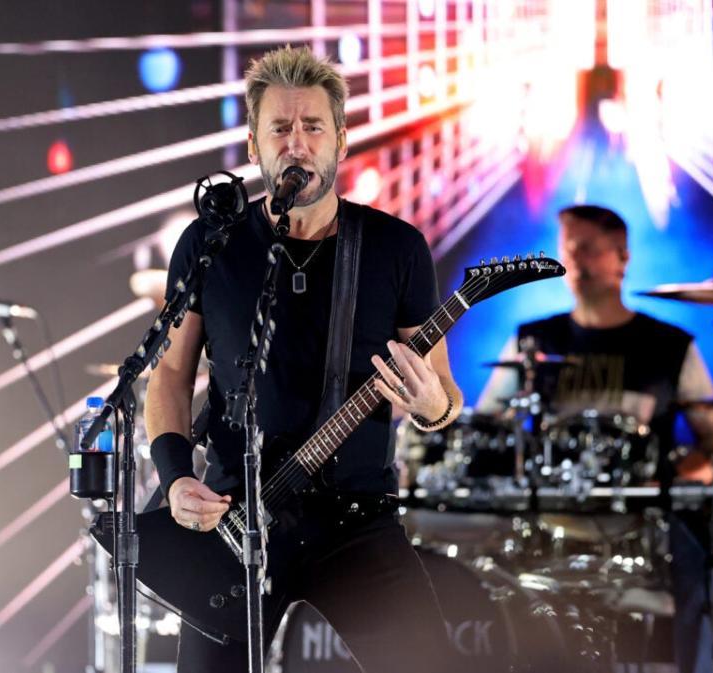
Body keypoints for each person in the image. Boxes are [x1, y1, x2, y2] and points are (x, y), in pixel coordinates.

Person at [143, 46, 462, 673]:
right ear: (256, 145)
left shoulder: (396, 249)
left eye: (313, 126)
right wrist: (177, 474)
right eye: (280, 129)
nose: (297, 144)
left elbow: (445, 393)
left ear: (341, 142)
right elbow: (171, 374)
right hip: (237, 516)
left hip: (356, 517)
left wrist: (431, 405)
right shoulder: (213, 244)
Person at [479, 204, 713, 673]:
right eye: (569, 251)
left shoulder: (670, 345)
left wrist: (695, 470)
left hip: (647, 527)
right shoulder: (532, 340)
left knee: (702, 560)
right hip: (547, 524)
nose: (578, 263)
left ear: (622, 257)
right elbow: (485, 427)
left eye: (589, 250)